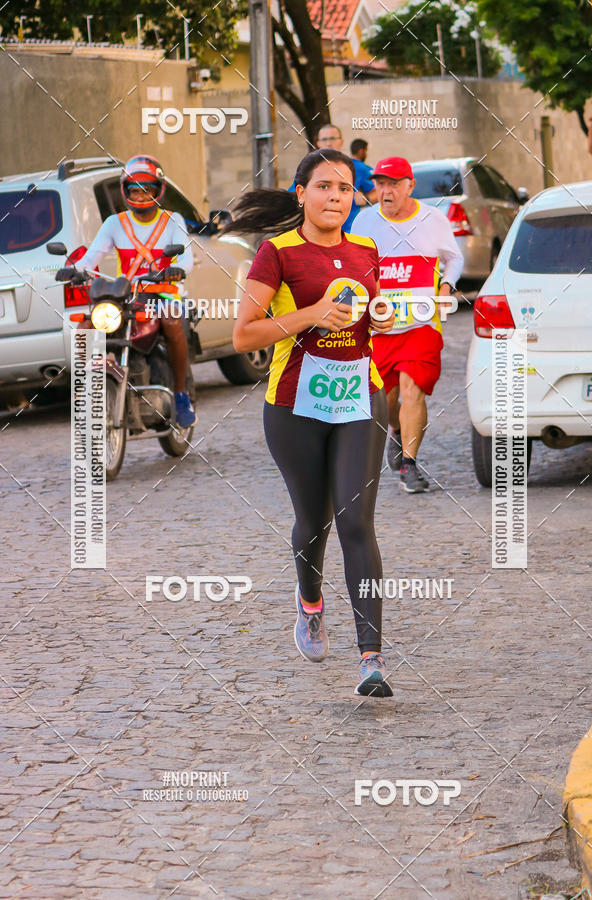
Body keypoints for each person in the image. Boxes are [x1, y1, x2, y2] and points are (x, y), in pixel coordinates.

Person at [229, 148, 395, 697]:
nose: (335, 198)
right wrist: (310, 315)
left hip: (359, 399)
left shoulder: (368, 248)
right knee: (314, 522)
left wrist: (383, 315)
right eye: (323, 187)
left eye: (345, 189)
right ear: (300, 193)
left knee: (356, 521)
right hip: (294, 405)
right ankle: (310, 603)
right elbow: (244, 335)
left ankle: (371, 659)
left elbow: (376, 316)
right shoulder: (276, 253)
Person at [352, 157, 463, 493]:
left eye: (394, 183)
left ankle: (409, 466)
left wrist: (446, 286)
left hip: (421, 322)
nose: (386, 190)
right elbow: (356, 269)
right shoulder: (364, 222)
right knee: (384, 401)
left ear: (410, 186)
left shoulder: (433, 219)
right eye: (381, 183)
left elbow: (454, 258)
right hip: (380, 328)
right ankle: (397, 432)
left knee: (413, 389)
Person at [76, 155, 196, 427]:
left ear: (158, 190)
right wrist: (75, 269)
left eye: (147, 190)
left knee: (171, 322)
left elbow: (186, 257)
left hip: (164, 294)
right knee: (85, 325)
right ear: (125, 191)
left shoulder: (172, 220)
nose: (141, 196)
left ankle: (180, 394)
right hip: (127, 296)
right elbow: (91, 258)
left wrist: (178, 269)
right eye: (134, 190)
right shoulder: (114, 223)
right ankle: (84, 390)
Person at [288, 126, 374, 232]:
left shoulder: (358, 167)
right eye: (324, 139)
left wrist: (367, 198)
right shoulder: (308, 168)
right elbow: (293, 197)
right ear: (318, 143)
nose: (328, 143)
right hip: (316, 237)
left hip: (349, 233)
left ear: (341, 142)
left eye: (333, 139)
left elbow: (378, 192)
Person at [347, 138, 377, 230]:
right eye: (366, 151)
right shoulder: (362, 168)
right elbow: (377, 192)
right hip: (351, 225)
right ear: (361, 151)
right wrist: (365, 198)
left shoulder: (343, 164)